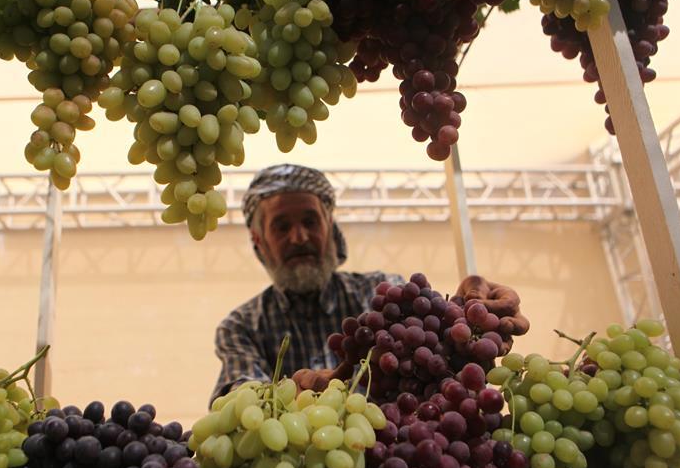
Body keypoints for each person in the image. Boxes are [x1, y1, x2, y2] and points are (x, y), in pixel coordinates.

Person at [210, 164, 529, 404]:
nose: (300, 237)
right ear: (258, 241)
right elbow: (237, 396)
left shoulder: (381, 292)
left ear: (329, 226)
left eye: (310, 221)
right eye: (281, 226)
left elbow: (436, 348)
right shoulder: (241, 326)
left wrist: (469, 312)